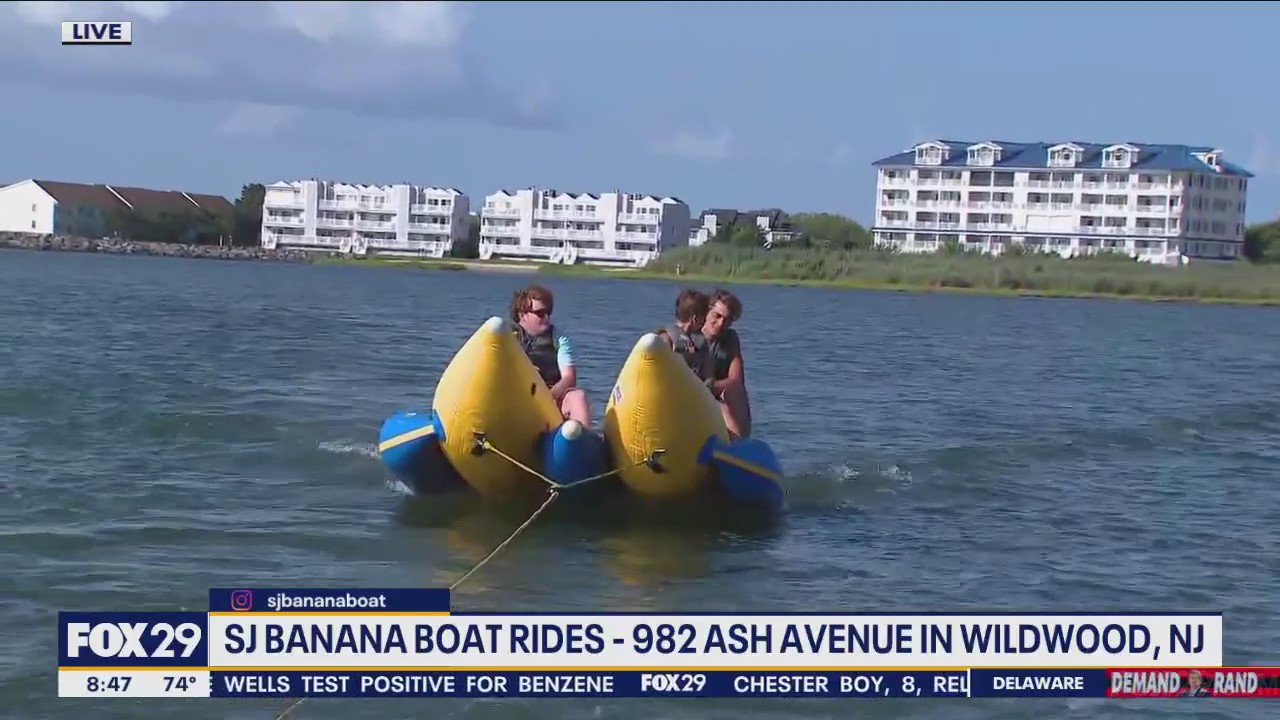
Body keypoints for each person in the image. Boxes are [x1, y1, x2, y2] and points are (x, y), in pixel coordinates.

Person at [510, 284, 591, 428]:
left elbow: (569, 378)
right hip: (517, 401)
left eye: (549, 312)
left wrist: (548, 397)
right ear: (522, 314)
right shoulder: (506, 337)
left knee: (578, 396)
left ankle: (580, 442)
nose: (547, 317)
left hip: (551, 398)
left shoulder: (559, 338)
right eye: (540, 313)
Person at [701, 288, 752, 439]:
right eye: (717, 316)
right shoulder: (689, 336)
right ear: (706, 313)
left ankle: (738, 443)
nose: (721, 323)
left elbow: (736, 379)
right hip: (689, 392)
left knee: (734, 392)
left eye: (727, 320)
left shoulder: (730, 339)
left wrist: (710, 387)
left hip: (715, 392)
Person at [654, 288, 713, 379]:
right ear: (695, 319)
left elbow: (709, 377)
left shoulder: (701, 343)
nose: (706, 321)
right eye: (704, 317)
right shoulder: (667, 339)